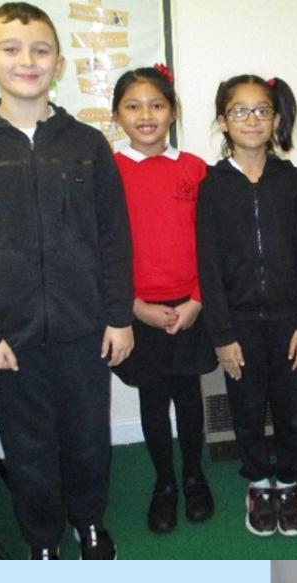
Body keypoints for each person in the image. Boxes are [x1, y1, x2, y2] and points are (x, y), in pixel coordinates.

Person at [0, 2, 133, 559]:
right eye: (11, 48)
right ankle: (41, 540)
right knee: (29, 447)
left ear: (60, 63)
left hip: (84, 329)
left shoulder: (87, 144)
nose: (27, 60)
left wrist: (119, 316)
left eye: (41, 49)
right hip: (11, 336)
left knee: (88, 438)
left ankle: (89, 522)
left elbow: (114, 238)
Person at [196, 75, 297, 538]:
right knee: (246, 409)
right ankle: (258, 481)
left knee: (292, 408)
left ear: (277, 119)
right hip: (239, 324)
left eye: (262, 110)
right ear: (224, 121)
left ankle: (288, 482)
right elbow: (208, 266)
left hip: (289, 321)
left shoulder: (293, 183)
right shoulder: (213, 186)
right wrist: (222, 335)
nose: (252, 120)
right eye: (240, 111)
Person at [112, 64, 216, 535]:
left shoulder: (194, 169)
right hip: (136, 309)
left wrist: (196, 300)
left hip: (190, 306)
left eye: (156, 104)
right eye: (133, 106)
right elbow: (96, 248)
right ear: (117, 115)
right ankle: (164, 484)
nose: (146, 115)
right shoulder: (105, 171)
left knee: (189, 397)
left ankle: (194, 477)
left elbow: (215, 242)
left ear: (172, 112)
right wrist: (134, 307)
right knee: (153, 399)